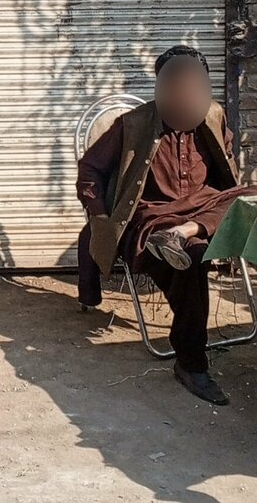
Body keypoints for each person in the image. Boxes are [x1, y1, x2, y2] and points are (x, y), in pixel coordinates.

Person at [76, 45, 256, 405]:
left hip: (204, 208)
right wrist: (98, 218)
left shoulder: (213, 116)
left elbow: (228, 163)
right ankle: (191, 364)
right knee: (191, 260)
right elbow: (90, 170)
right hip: (152, 216)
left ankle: (186, 232)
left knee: (250, 194)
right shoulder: (132, 124)